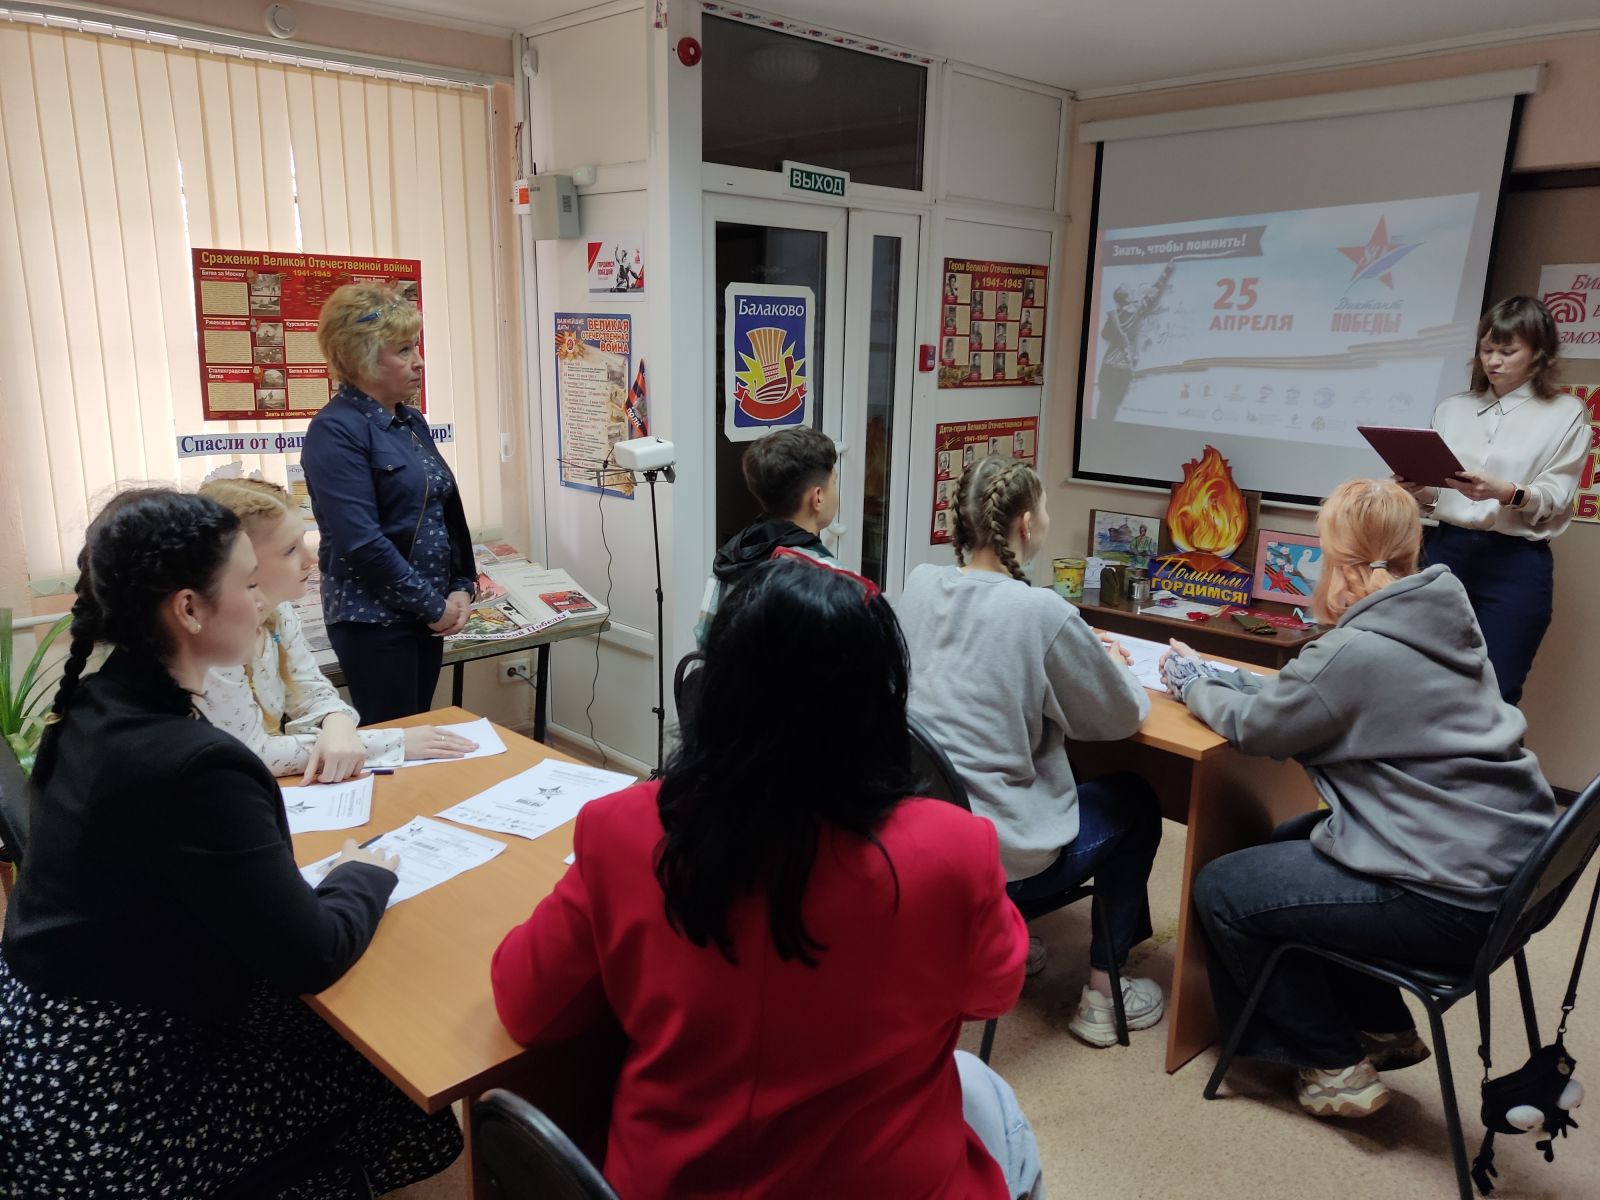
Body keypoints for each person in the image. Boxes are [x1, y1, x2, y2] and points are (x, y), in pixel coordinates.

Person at [492, 553, 1042, 1199]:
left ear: (716, 689)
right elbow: (992, 994)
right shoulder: (956, 849)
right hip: (889, 1180)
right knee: (991, 1098)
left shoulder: (618, 830)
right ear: (879, 702)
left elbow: (524, 1006)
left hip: (675, 1181)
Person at [0, 488, 461, 1194]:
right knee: (390, 1068)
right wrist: (362, 872)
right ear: (189, 609)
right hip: (107, 1108)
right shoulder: (197, 765)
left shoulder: (93, 707)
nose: (263, 600)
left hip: (42, 1049)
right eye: (249, 585)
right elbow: (312, 956)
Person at [1162, 478, 1557, 1118]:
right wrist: (1222, 676)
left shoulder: (1354, 649)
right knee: (1291, 838)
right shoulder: (1440, 618)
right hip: (1505, 878)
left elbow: (1261, 728)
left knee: (1223, 889)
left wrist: (1190, 685)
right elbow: (1313, 697)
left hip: (1447, 902)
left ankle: (1332, 1064)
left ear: (1340, 562)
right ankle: (1379, 1025)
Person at [895, 457, 1166, 1048]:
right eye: (1044, 509)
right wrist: (1111, 665)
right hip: (997, 857)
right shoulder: (1040, 611)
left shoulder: (918, 584)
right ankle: (1104, 995)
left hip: (922, 843)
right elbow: (1121, 715)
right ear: (1024, 522)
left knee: (1058, 769)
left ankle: (1000, 934)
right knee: (1137, 800)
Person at [196, 478, 477, 782]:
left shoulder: (279, 612)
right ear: (242, 562)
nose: (311, 559)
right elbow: (250, 752)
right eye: (290, 550)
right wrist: (388, 743)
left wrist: (337, 722)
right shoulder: (214, 641)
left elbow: (310, 690)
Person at [1396, 296, 1586, 705]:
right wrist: (1419, 489)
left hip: (1514, 563)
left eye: (1507, 351)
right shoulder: (1453, 408)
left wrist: (1507, 493)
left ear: (1538, 353)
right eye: (1487, 350)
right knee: (1420, 682)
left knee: (1496, 693)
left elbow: (1556, 498)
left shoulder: (1565, 413)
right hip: (1444, 552)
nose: (1493, 361)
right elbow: (1440, 495)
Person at [301, 282, 477, 722]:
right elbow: (361, 542)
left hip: (424, 611)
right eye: (403, 350)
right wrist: (434, 607)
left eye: (415, 346)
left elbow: (443, 511)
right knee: (395, 740)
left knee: (419, 731)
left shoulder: (409, 420)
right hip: (374, 621)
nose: (419, 362)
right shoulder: (335, 430)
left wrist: (461, 585)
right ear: (361, 357)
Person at [694, 425, 837, 644]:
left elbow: (705, 642)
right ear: (817, 496)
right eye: (833, 482)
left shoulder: (730, 559)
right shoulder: (827, 575)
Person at [1096, 261, 1174, 421]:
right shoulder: (1137, 310)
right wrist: (1166, 272)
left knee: (1104, 407)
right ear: (1128, 297)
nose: (1134, 292)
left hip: (1107, 368)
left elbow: (1104, 335)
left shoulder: (1115, 316)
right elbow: (1154, 293)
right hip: (1122, 371)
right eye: (1130, 291)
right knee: (1112, 409)